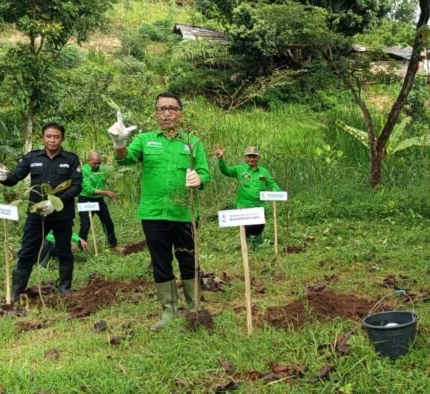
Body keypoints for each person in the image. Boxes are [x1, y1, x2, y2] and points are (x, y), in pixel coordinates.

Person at [108, 92, 210, 331]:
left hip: (185, 213)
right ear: (156, 114)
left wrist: (199, 179)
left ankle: (194, 309)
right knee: (160, 261)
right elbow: (125, 160)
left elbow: (205, 172)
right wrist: (119, 143)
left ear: (180, 113)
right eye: (162, 109)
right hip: (153, 213)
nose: (167, 113)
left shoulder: (193, 142)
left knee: (188, 259)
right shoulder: (145, 140)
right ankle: (169, 312)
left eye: (172, 109)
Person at [0, 123, 82, 300]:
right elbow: (14, 178)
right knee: (27, 251)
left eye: (56, 137)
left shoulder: (71, 159)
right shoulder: (32, 157)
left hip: (62, 215)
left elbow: (77, 186)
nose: (52, 140)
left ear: (62, 139)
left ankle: (65, 288)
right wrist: (3, 177)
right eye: (48, 136)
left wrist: (56, 202)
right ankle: (17, 291)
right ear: (43, 138)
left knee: (64, 250)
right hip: (36, 215)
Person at [215, 146, 282, 249]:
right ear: (245, 157)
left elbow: (272, 184)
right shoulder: (239, 169)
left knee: (259, 228)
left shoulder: (264, 171)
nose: (251, 159)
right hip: (244, 206)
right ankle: (245, 249)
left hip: (259, 206)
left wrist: (279, 193)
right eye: (249, 156)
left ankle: (257, 249)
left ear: (258, 158)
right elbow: (226, 170)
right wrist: (220, 159)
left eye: (254, 157)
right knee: (245, 230)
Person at [78, 151, 118, 248]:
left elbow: (106, 180)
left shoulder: (101, 169)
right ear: (88, 160)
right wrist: (106, 193)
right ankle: (81, 246)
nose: (97, 165)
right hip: (85, 199)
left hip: (98, 200)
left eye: (99, 162)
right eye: (94, 162)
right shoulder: (83, 171)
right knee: (85, 225)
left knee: (108, 222)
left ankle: (113, 245)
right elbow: (88, 189)